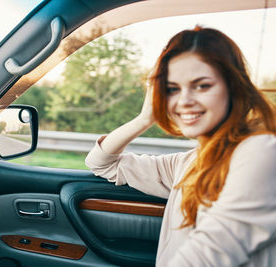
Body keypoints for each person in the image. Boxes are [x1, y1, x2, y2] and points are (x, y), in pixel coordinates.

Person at [85, 26, 276, 266]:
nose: (184, 101)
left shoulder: (261, 151)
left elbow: (210, 255)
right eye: (172, 89)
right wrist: (145, 118)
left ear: (234, 88)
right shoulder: (188, 162)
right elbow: (101, 163)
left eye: (202, 85)